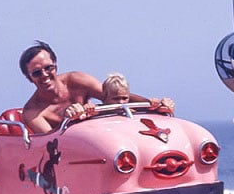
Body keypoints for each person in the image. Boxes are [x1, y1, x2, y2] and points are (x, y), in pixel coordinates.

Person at [19, 41, 175, 133]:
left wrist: (154, 105)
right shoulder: (32, 112)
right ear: (29, 78)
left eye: (48, 68)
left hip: (107, 134)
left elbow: (113, 97)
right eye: (37, 73)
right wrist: (70, 119)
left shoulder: (77, 80)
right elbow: (51, 142)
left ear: (56, 65)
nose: (45, 75)